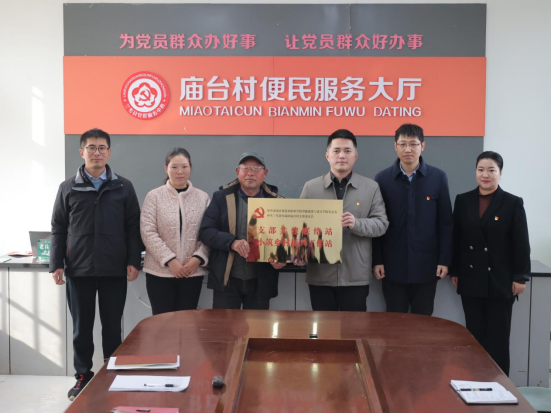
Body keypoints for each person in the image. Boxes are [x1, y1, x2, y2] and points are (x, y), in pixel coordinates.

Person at [49, 129, 142, 401]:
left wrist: (133, 261)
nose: (97, 152)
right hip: (79, 269)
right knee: (81, 328)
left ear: (109, 152)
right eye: (91, 147)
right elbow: (58, 228)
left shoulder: (123, 187)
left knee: (112, 327)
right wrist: (56, 263)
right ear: (82, 152)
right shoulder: (68, 187)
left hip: (114, 269)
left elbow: (132, 228)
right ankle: (83, 376)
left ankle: (112, 375)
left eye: (102, 148)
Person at [451, 151, 531, 376]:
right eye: (480, 170)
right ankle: (474, 382)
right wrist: (455, 270)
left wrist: (520, 277)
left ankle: (499, 386)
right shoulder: (463, 200)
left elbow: (521, 243)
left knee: (498, 339)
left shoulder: (512, 202)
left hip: (501, 281)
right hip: (470, 280)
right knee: (474, 337)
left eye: (491, 170)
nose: (485, 175)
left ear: (500, 173)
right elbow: (457, 239)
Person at [300, 129, 389, 312]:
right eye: (336, 151)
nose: (342, 155)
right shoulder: (311, 187)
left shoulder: (371, 187)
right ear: (327, 155)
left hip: (355, 274)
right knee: (323, 327)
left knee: (354, 327)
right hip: (320, 274)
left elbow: (382, 224)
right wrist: (298, 253)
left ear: (356, 155)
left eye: (347, 151)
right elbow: (300, 228)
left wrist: (357, 224)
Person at [373, 124, 453, 316]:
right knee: (394, 321)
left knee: (423, 323)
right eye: (402, 144)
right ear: (395, 146)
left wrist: (444, 260)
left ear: (422, 146)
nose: (407, 149)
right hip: (392, 266)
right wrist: (377, 260)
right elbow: (377, 223)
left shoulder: (437, 177)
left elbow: (445, 223)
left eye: (413, 144)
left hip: (427, 265)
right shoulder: (383, 179)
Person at [199, 152, 286, 310]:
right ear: (237, 171)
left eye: (256, 168)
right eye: (245, 168)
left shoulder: (277, 202)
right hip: (227, 281)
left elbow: (287, 239)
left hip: (260, 283)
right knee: (224, 325)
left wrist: (283, 258)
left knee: (257, 325)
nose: (250, 173)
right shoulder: (221, 197)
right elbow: (206, 231)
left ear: (265, 173)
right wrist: (232, 242)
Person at [140, 148, 210, 316]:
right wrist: (170, 260)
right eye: (174, 167)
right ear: (166, 168)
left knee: (187, 322)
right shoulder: (154, 196)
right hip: (159, 273)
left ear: (190, 168)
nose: (180, 171)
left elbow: (210, 232)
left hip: (191, 272)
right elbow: (148, 231)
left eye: (184, 167)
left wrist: (197, 258)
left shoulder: (203, 198)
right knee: (162, 322)